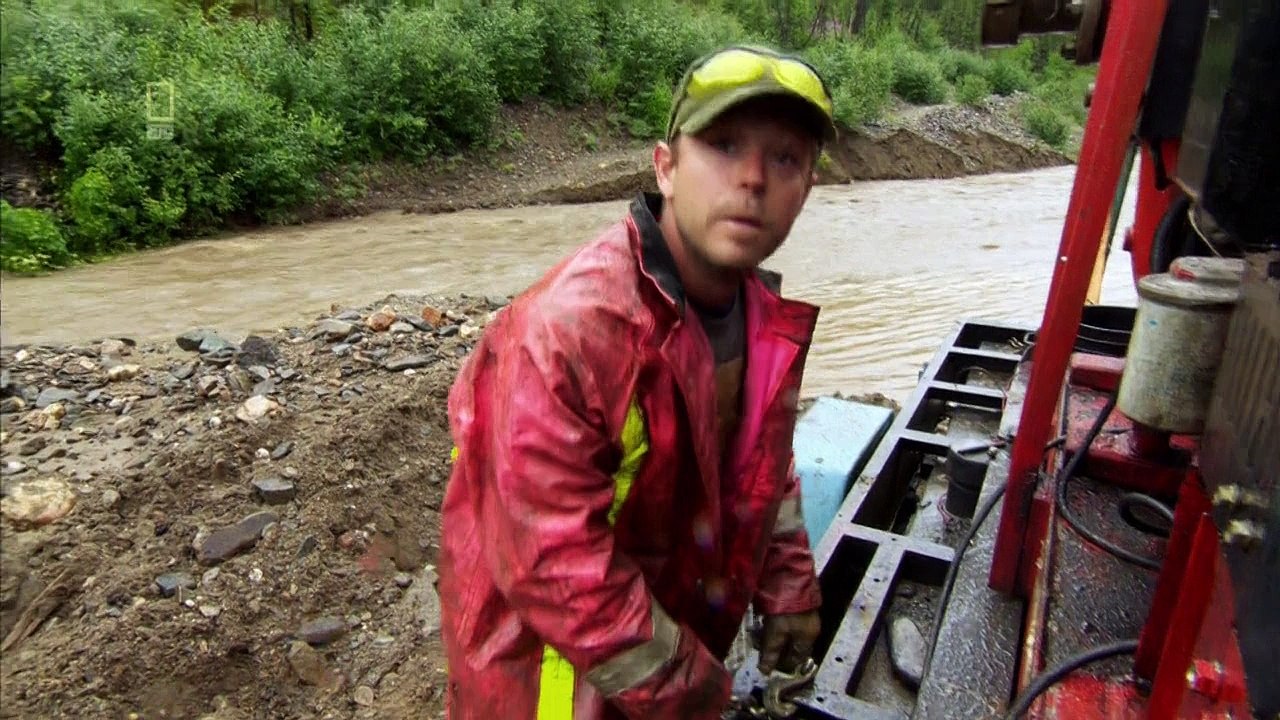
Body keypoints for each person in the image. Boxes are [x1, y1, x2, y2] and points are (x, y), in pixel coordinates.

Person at [437, 44, 837, 720]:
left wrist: (789, 582)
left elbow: (757, 466)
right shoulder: (569, 333)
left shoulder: (756, 313)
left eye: (785, 157)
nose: (752, 179)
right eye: (722, 145)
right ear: (666, 167)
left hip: (657, 647)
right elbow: (556, 568)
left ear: (806, 189)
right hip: (547, 685)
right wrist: (701, 694)